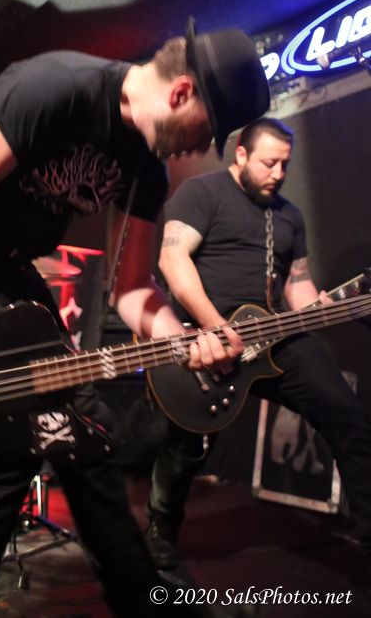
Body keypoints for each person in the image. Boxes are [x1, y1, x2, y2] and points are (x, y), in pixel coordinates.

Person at [0, 19, 269, 618]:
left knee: (86, 430)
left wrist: (184, 340)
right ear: (182, 92)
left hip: (7, 271)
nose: (198, 148)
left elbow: (131, 290)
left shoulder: (145, 168)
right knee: (15, 443)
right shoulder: (57, 85)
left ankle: (143, 604)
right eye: (205, 131)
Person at [147, 116, 371, 584]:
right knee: (185, 445)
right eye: (269, 163)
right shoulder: (203, 193)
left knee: (348, 417)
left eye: (285, 165)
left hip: (275, 338)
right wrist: (217, 328)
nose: (278, 174)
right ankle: (160, 535)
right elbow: (172, 258)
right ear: (241, 155)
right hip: (207, 337)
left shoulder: (289, 215)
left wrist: (323, 308)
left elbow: (298, 286)